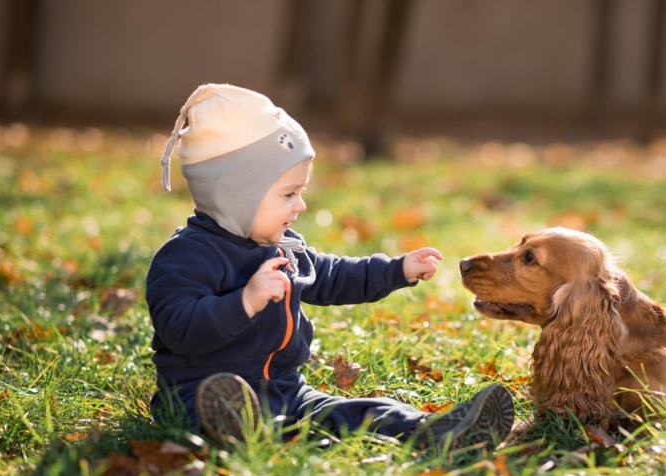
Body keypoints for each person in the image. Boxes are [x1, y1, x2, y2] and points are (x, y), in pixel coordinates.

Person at [148, 83, 514, 451]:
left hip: (284, 391)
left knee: (353, 413)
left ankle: (431, 430)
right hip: (196, 393)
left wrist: (397, 270)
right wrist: (244, 302)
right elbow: (179, 328)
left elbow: (333, 276)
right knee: (223, 409)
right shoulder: (185, 257)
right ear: (236, 196)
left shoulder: (283, 247)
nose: (300, 205)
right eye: (289, 194)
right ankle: (235, 428)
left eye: (300, 192)